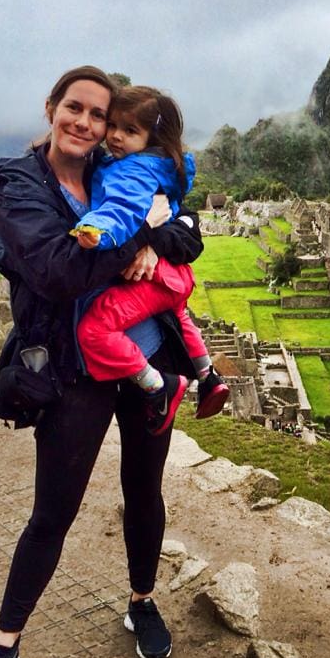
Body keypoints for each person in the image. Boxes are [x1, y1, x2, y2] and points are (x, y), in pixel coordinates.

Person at [0, 66, 203, 658]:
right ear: (52, 108)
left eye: (100, 115)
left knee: (143, 491)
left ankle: (142, 601)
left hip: (146, 353)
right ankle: (4, 644)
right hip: (76, 368)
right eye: (77, 109)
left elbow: (190, 231)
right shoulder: (18, 183)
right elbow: (58, 271)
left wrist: (157, 232)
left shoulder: (110, 168)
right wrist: (141, 240)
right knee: (52, 513)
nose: (88, 124)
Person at [71, 85, 229, 433]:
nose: (114, 136)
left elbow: (122, 211)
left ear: (152, 137)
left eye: (129, 131)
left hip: (154, 279)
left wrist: (96, 228)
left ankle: (160, 387)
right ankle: (208, 376)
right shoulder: (163, 169)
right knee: (178, 314)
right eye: (112, 125)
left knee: (94, 328)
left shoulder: (132, 173)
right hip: (173, 278)